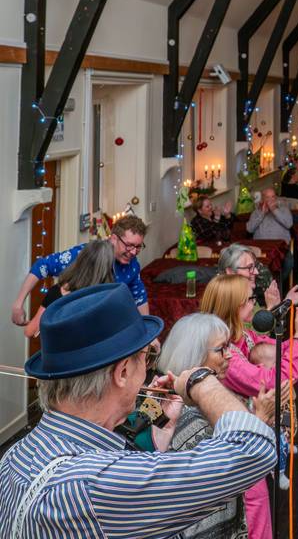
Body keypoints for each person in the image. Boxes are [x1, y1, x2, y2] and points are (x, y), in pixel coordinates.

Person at [0, 283, 276, 537]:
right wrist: (200, 381)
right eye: (147, 357)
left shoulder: (13, 457)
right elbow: (254, 448)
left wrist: (160, 440)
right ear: (122, 372)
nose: (148, 367)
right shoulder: (95, 484)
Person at [201, 274, 298, 538]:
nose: (255, 305)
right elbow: (270, 380)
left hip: (245, 428)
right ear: (234, 307)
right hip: (233, 440)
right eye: (249, 300)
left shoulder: (239, 335)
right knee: (253, 504)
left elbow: (277, 349)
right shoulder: (225, 354)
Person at [157, 312, 278, 539]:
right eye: (220, 349)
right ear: (195, 355)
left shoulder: (166, 395)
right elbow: (231, 465)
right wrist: (259, 421)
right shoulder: (185, 413)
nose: (230, 355)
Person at [13, 215, 151, 324]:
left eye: (138, 247)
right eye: (129, 245)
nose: (133, 252)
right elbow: (41, 266)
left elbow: (139, 296)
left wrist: (148, 332)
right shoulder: (85, 255)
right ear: (114, 239)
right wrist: (18, 305)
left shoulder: (132, 265)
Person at [22, 239, 115, 338]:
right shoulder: (106, 298)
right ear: (107, 269)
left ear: (80, 260)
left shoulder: (56, 292)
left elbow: (29, 331)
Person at [217, 243, 298, 311]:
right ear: (230, 271)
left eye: (254, 266)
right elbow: (254, 332)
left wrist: (285, 303)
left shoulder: (244, 295)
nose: (256, 272)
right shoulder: (225, 300)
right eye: (249, 267)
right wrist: (271, 307)